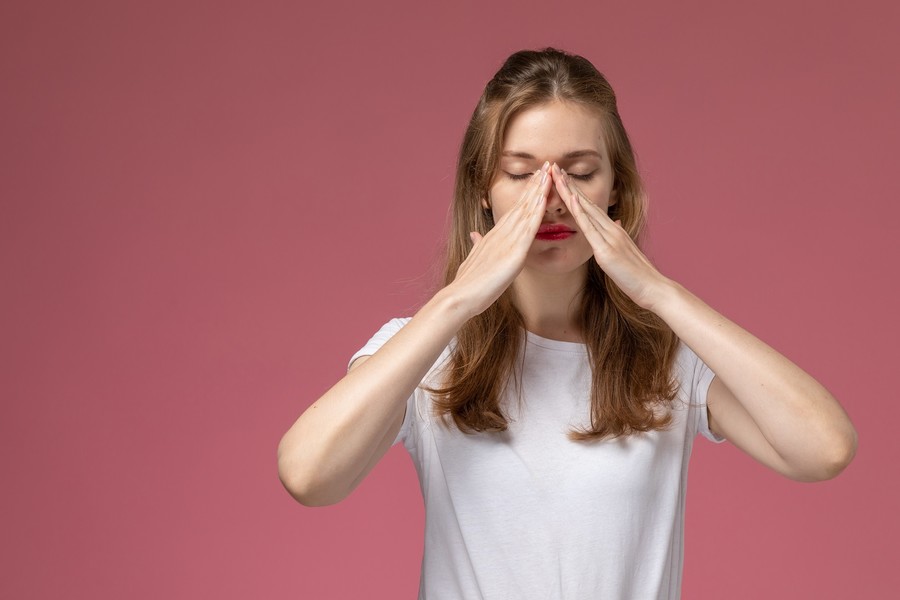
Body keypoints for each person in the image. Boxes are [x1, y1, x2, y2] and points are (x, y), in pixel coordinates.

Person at [277, 47, 858, 599]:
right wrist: (456, 302)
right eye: (521, 173)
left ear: (615, 188)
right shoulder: (427, 350)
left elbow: (824, 449)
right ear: (483, 190)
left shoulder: (670, 357)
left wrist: (662, 294)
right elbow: (308, 475)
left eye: (579, 173)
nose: (553, 198)